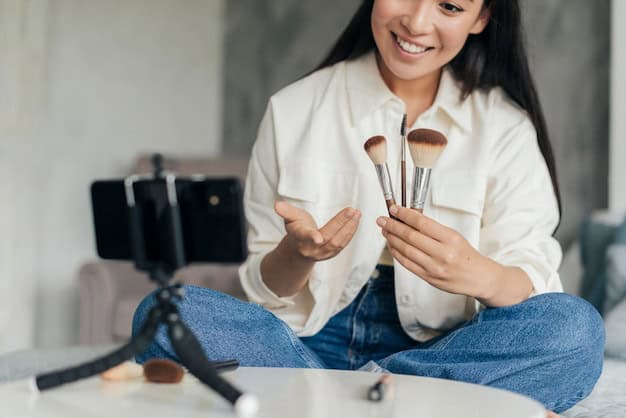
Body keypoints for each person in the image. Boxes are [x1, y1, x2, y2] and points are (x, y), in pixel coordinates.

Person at [132, 0, 604, 414]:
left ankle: (328, 402)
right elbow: (263, 288)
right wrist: (296, 255)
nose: (417, 23)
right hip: (303, 344)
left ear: (482, 18)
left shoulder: (504, 127)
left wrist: (476, 273)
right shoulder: (295, 108)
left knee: (575, 331)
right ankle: (389, 404)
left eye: (450, 7)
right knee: (165, 311)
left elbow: (533, 275)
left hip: (445, 348)